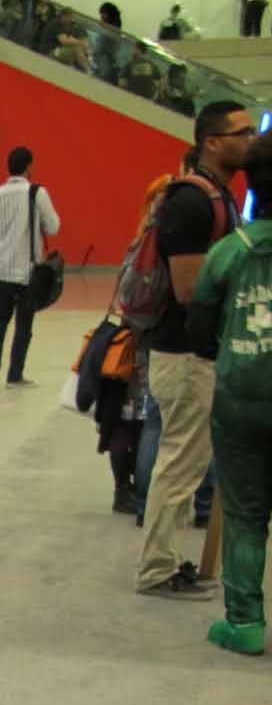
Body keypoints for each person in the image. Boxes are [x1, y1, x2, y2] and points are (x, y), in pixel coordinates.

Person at [136, 100, 254, 599]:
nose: (251, 139)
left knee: (184, 462)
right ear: (212, 141)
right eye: (242, 132)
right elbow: (188, 289)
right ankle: (156, 570)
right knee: (180, 464)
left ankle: (165, 560)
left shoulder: (217, 195)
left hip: (193, 354)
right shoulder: (192, 201)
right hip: (183, 354)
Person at [187, 131, 272, 655]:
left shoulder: (229, 252)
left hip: (241, 398)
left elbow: (200, 333)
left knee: (244, 511)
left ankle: (245, 623)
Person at [0, 146, 60, 387]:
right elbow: (53, 227)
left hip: (0, 268)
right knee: (24, 323)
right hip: (26, 270)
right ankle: (15, 374)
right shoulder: (37, 193)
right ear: (29, 167)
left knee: (0, 320)